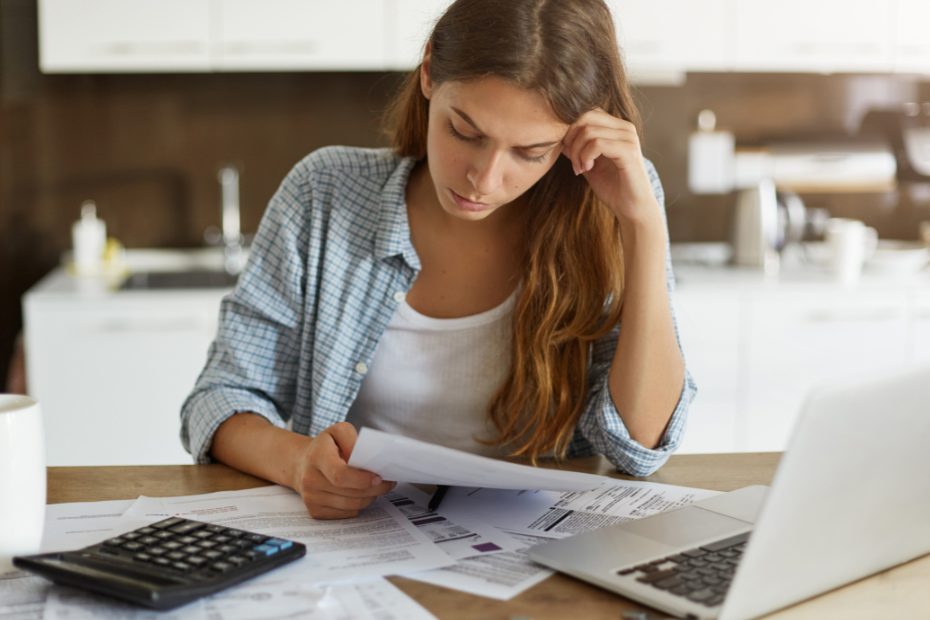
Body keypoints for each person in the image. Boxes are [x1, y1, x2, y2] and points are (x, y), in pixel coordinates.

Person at [181, 0, 696, 520]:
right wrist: (299, 463)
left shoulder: (610, 209)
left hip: (537, 553)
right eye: (465, 133)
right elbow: (220, 398)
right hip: (359, 541)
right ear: (429, 71)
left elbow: (640, 444)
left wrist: (642, 225)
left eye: (530, 152)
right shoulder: (325, 194)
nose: (485, 178)